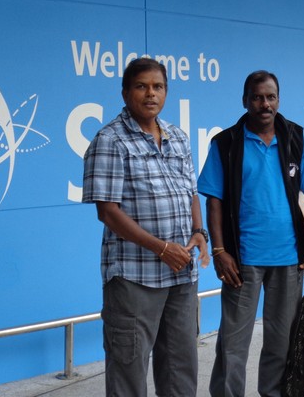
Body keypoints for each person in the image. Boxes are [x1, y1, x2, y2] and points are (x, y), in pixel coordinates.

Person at [82, 57, 209, 397]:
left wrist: (199, 232)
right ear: (125, 93)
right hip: (134, 278)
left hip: (181, 276)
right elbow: (108, 212)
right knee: (129, 374)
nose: (151, 94)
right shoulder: (110, 140)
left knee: (180, 371)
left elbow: (191, 192)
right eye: (141, 86)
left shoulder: (177, 137)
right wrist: (161, 248)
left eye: (158, 87)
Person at [198, 70, 304, 397]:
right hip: (242, 261)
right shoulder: (226, 143)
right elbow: (214, 202)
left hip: (289, 257)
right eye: (257, 97)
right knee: (233, 345)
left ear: (278, 100)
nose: (264, 104)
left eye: (270, 97)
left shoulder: (295, 139)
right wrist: (219, 251)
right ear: (245, 101)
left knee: (282, 343)